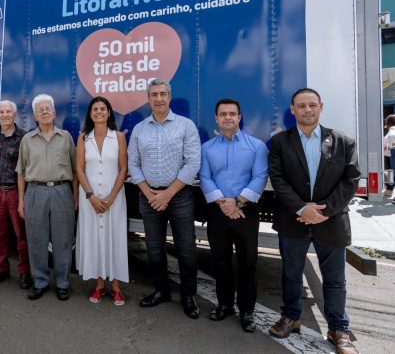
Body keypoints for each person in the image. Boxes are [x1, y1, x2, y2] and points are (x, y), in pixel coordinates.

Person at [268, 88, 361, 354]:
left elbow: (351, 180)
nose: (307, 110)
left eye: (312, 105)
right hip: (293, 219)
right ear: (292, 110)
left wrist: (323, 211)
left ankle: (338, 329)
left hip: (331, 221)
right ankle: (291, 317)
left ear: (321, 107)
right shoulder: (280, 142)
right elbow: (278, 179)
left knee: (334, 279)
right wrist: (301, 208)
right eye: (301, 106)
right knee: (291, 273)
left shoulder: (343, 141)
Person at [128, 78, 201, 319]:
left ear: (169, 97)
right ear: (148, 99)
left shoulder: (186, 126)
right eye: (154, 94)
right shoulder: (139, 129)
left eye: (163, 94)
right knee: (154, 247)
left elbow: (193, 163)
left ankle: (188, 296)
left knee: (186, 248)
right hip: (149, 195)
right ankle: (161, 291)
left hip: (180, 195)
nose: (159, 98)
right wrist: (149, 193)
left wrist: (168, 194)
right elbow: (133, 164)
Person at [199, 99, 268, 332]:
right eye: (223, 114)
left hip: (245, 212)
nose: (227, 117)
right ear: (216, 118)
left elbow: (260, 177)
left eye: (232, 113)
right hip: (218, 212)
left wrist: (237, 202)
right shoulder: (207, 148)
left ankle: (247, 311)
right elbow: (204, 177)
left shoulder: (256, 146)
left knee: (248, 264)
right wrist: (223, 202)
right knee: (221, 262)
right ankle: (225, 305)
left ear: (239, 117)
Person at [16, 94, 78, 301]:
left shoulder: (66, 137)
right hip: (35, 191)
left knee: (63, 240)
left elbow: (75, 170)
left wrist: (75, 197)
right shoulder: (27, 140)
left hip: (62, 191)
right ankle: (40, 282)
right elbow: (21, 172)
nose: (44, 112)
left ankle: (62, 283)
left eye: (48, 109)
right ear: (35, 116)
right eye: (40, 110)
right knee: (36, 240)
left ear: (54, 113)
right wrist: (21, 200)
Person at [76, 96, 129, 306]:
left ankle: (116, 288)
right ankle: (99, 285)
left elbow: (123, 169)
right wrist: (90, 196)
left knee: (115, 238)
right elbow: (79, 169)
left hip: (113, 198)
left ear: (108, 113)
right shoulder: (83, 138)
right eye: (95, 109)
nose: (99, 112)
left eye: (103, 108)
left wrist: (111, 197)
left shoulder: (118, 137)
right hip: (90, 199)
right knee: (94, 239)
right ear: (90, 114)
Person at [0, 100, 32, 289]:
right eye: (2, 112)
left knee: (21, 236)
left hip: (15, 192)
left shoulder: (23, 137)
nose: (5, 115)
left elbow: (26, 169)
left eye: (8, 111)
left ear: (14, 114)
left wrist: (22, 198)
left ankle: (25, 272)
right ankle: (2, 269)